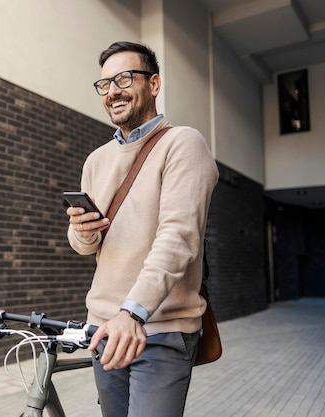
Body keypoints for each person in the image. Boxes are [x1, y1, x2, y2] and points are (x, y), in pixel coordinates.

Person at [66, 41, 219, 417]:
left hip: (161, 329)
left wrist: (132, 314)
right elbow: (86, 247)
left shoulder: (183, 143)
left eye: (123, 78)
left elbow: (179, 237)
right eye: (104, 84)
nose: (113, 90)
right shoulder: (95, 160)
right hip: (104, 331)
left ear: (153, 84)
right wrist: (83, 231)